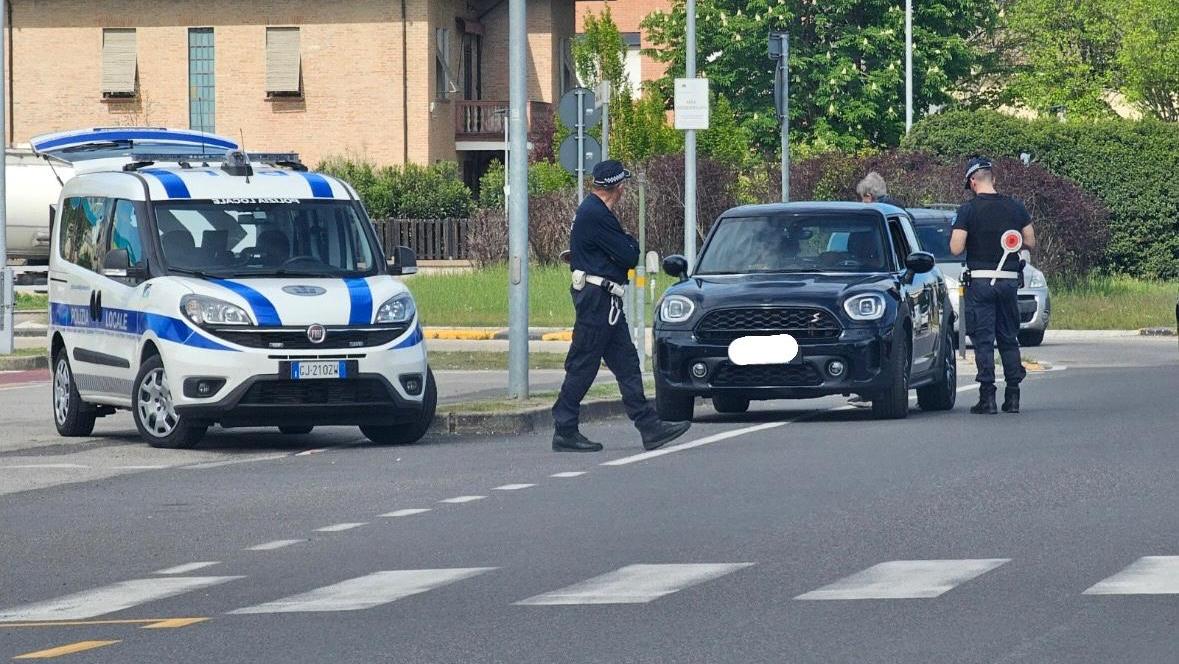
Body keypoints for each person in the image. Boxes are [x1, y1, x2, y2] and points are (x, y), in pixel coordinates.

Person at [551, 160, 692, 452]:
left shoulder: (594, 211)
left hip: (606, 300)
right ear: (618, 187)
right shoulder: (596, 214)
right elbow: (629, 255)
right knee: (583, 364)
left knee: (627, 363)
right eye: (623, 184)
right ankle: (564, 428)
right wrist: (627, 241)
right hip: (597, 300)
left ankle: (649, 427)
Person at [950, 157, 1036, 414]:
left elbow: (955, 248)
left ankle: (987, 397)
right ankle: (1013, 397)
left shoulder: (968, 210)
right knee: (1008, 337)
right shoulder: (1015, 207)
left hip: (980, 282)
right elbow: (1030, 241)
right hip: (1009, 282)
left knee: (984, 340)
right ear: (993, 179)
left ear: (973, 182)